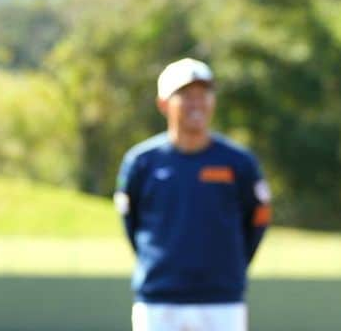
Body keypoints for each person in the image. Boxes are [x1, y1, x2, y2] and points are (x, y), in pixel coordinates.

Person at [114, 58, 273, 331]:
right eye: (186, 96)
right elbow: (131, 221)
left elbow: (257, 218)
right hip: (159, 300)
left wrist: (230, 267)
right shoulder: (141, 162)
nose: (196, 104)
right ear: (163, 104)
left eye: (204, 95)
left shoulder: (238, 162)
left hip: (221, 300)